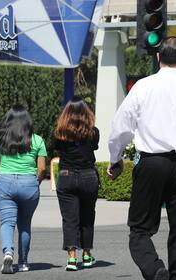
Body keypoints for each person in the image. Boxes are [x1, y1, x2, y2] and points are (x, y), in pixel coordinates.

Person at [107, 37, 176, 280]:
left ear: (158, 58)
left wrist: (115, 159)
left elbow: (120, 128)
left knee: (139, 232)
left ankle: (156, 272)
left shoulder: (142, 88)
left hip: (151, 164)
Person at [0, 105, 47, 274]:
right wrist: (35, 182)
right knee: (25, 225)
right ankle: (23, 262)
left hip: (5, 183)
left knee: (7, 223)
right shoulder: (37, 140)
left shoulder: (1, 140)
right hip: (29, 184)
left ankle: (8, 252)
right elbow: (42, 169)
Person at [53, 96, 99, 271]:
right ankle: (87, 255)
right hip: (88, 175)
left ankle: (71, 258)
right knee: (87, 217)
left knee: (69, 218)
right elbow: (93, 147)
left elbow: (56, 147)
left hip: (66, 175)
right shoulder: (93, 132)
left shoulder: (59, 133)